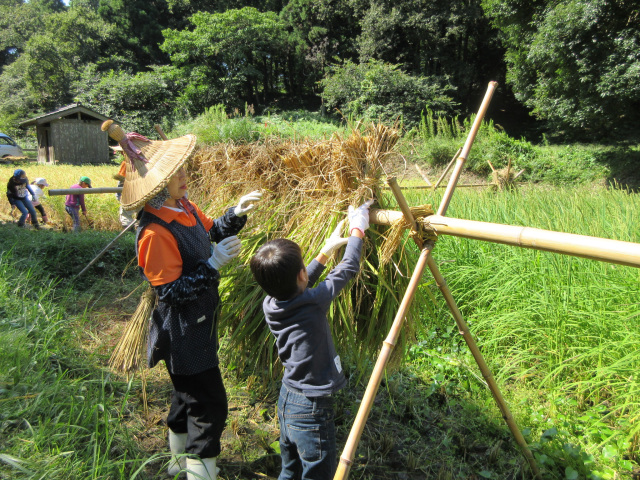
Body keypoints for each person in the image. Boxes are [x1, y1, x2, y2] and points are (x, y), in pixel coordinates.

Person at [102, 119, 263, 480]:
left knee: (185, 395)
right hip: (183, 328)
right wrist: (213, 263)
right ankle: (199, 473)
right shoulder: (155, 232)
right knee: (209, 404)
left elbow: (210, 232)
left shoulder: (184, 207)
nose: (184, 175)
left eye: (182, 168)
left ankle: (178, 464)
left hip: (200, 320)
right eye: (176, 173)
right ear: (157, 186)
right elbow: (171, 293)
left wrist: (236, 213)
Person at [249, 199, 374, 480]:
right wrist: (358, 227)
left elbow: (297, 285)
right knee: (316, 474)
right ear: (302, 275)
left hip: (287, 399)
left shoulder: (270, 303)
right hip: (311, 409)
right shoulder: (314, 301)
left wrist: (324, 254)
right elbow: (350, 267)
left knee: (289, 471)